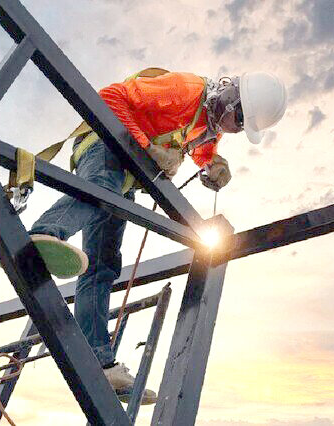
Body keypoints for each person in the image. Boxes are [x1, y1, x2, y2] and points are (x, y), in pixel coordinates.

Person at [27, 70, 287, 404]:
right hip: (103, 148)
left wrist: (214, 164)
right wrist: (147, 146)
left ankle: (99, 362)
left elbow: (199, 150)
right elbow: (109, 96)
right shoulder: (186, 90)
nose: (235, 128)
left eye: (241, 126)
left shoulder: (208, 124)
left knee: (103, 266)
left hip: (124, 178)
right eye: (239, 119)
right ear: (230, 98)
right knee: (102, 190)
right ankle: (44, 233)